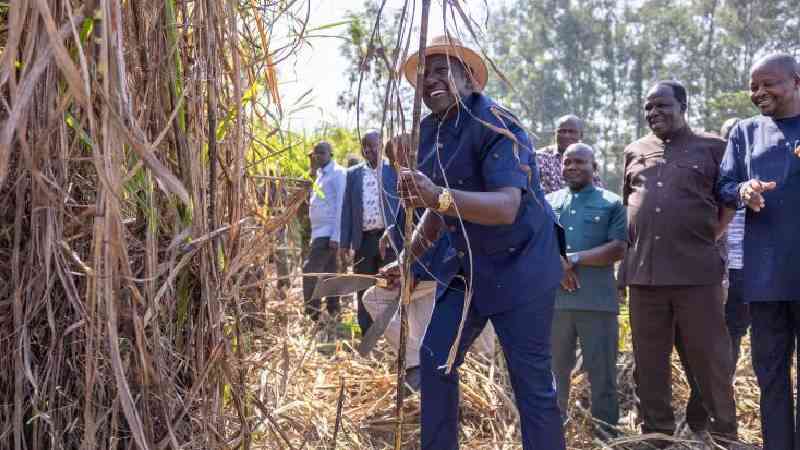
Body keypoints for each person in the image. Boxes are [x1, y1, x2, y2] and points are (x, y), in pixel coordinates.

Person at [393, 35, 565, 449]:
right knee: (435, 360)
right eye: (424, 74)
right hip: (468, 267)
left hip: (522, 267)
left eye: (441, 70)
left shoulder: (496, 123)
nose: (430, 80)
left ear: (468, 78)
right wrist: (405, 261)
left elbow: (506, 207)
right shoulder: (431, 131)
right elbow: (436, 212)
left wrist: (438, 196)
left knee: (531, 384)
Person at [621, 80, 737, 447]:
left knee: (709, 360)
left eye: (663, 106)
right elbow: (630, 207)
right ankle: (657, 435)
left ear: (683, 106)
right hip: (645, 277)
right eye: (648, 108)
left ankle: (722, 434)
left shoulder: (714, 147)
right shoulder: (634, 150)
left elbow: (727, 204)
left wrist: (706, 237)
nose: (654, 113)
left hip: (696, 275)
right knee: (649, 364)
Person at [363, 135, 495, 392]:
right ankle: (421, 368)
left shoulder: (433, 181)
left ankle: (477, 383)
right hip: (423, 274)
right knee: (419, 327)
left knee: (475, 339)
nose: (402, 161)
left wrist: (409, 270)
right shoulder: (408, 185)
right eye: (395, 158)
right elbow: (410, 223)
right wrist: (393, 240)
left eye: (406, 154)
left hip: (447, 272)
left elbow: (443, 229)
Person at [717, 53, 800, 450]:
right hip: (765, 278)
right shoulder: (745, 133)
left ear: (796, 82)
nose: (759, 92)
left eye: (769, 83)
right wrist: (742, 191)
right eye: (754, 86)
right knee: (770, 376)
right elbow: (725, 184)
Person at [545, 143, 626, 438]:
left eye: (580, 162)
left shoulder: (612, 203)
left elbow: (618, 248)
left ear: (595, 167)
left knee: (602, 376)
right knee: (554, 375)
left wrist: (573, 259)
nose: (573, 167)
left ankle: (606, 435)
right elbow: (538, 242)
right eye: (568, 162)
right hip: (556, 304)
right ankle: (553, 434)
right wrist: (557, 263)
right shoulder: (548, 202)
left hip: (597, 304)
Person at [340, 131, 400, 335]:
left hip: (389, 239)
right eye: (364, 146)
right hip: (363, 240)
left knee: (388, 286)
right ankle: (366, 330)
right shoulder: (354, 174)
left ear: (381, 145)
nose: (368, 150)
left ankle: (390, 332)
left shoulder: (393, 170)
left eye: (372, 146)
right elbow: (347, 208)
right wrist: (344, 243)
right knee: (363, 284)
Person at [302, 142, 347, 323]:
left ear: (331, 153)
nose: (317, 156)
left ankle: (313, 314)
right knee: (330, 272)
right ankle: (334, 310)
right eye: (315, 153)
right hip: (319, 232)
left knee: (309, 271)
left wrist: (336, 235)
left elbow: (340, 205)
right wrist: (312, 169)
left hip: (328, 233)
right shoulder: (319, 175)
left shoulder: (338, 174)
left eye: (322, 153)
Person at [535, 115, 603, 194]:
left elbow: (597, 190)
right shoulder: (540, 158)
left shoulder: (588, 159)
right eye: (562, 131)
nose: (566, 135)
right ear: (555, 134)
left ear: (581, 135)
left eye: (572, 132)